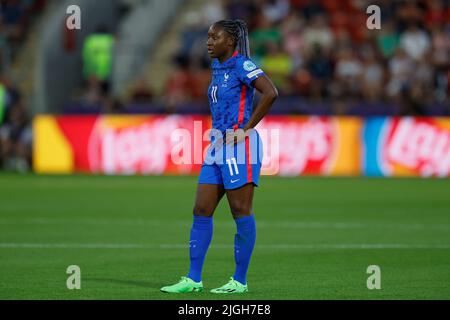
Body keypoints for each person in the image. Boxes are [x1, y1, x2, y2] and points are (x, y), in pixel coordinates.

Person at [161, 19, 278, 294]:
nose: (208, 42)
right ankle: (193, 279)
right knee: (201, 209)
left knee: (240, 211)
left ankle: (239, 281)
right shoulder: (216, 65)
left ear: (230, 41)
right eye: (208, 37)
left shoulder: (242, 65)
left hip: (240, 145)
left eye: (215, 37)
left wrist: (246, 129)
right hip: (216, 146)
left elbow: (271, 92)